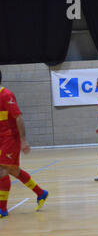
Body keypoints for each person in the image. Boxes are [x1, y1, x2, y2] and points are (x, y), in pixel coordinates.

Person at [0, 70, 49, 218]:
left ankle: (2, 209)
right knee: (14, 171)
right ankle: (41, 193)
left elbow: (18, 117)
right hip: (1, 139)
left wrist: (23, 140)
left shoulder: (6, 95)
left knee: (2, 170)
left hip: (10, 139)